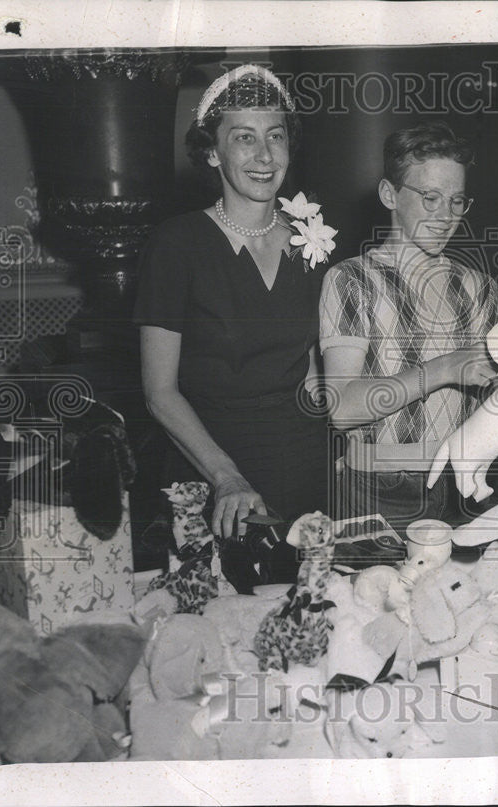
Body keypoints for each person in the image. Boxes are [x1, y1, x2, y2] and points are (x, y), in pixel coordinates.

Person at [134, 65, 334, 583]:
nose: (264, 156)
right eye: (243, 138)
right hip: (211, 474)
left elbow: (317, 375)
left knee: (307, 628)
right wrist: (226, 478)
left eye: (276, 136)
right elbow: (160, 394)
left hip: (303, 471)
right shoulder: (176, 244)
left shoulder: (311, 241)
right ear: (211, 152)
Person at [319, 121, 498, 534]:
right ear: (389, 194)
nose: (445, 216)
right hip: (380, 488)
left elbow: (490, 405)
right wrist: (446, 368)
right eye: (430, 198)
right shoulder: (352, 280)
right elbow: (342, 408)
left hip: (463, 483)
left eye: (456, 201)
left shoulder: (479, 288)